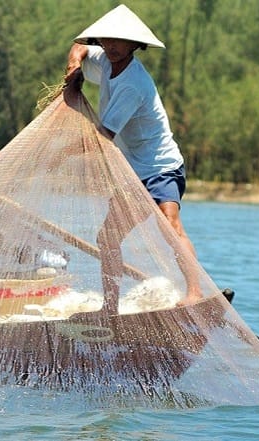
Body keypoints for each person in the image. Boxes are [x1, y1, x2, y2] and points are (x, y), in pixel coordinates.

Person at [63, 5, 202, 307]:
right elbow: (80, 47)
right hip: (130, 170)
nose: (111, 46)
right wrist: (74, 66)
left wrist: (61, 155)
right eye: (106, 40)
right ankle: (109, 307)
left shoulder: (133, 84)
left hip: (160, 166)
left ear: (134, 45)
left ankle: (195, 293)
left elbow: (103, 137)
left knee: (170, 225)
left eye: (119, 41)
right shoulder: (104, 59)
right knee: (108, 238)